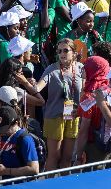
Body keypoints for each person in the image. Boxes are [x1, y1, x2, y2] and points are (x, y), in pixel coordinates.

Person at [34, 38, 84, 171]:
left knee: (67, 157)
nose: (62, 53)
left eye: (66, 50)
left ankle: (63, 186)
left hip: (73, 115)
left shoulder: (80, 68)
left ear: (74, 53)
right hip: (54, 116)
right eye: (59, 51)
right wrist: (28, 83)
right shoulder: (51, 69)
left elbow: (86, 90)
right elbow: (37, 88)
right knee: (54, 156)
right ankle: (49, 184)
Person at [0, 105, 40, 180]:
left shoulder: (24, 139)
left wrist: (6, 171)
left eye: (5, 128)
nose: (1, 132)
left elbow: (34, 169)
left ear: (16, 123)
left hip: (16, 187)